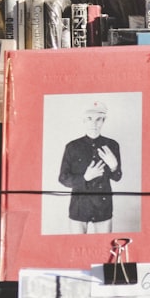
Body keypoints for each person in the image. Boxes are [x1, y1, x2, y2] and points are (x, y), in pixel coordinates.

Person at [58, 100, 122, 234]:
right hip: (79, 206)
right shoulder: (72, 147)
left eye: (99, 119)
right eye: (89, 118)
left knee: (104, 248)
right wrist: (85, 178)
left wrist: (114, 166)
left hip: (103, 206)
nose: (94, 123)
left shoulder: (112, 145)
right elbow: (63, 178)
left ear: (104, 121)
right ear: (83, 120)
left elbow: (117, 177)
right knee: (77, 248)